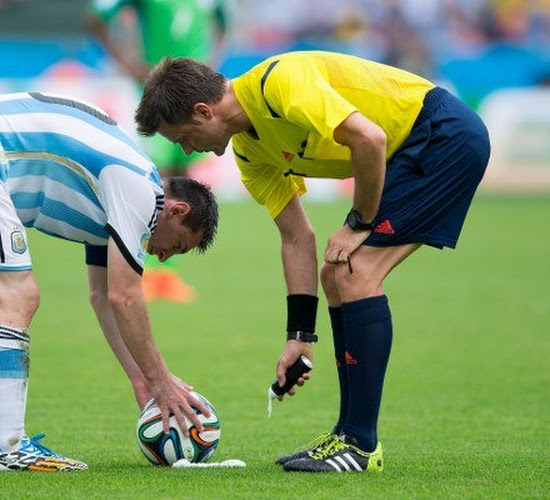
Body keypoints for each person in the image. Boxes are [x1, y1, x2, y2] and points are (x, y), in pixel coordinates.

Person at [135, 52, 489, 472]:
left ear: (203, 111)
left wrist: (360, 222)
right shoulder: (250, 153)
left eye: (183, 138)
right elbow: (296, 236)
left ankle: (359, 444)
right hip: (405, 154)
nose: (189, 150)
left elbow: (369, 139)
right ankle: (348, 436)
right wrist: (299, 336)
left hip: (440, 135)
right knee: (337, 274)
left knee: (354, 272)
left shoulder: (279, 83)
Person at [0, 92, 219, 471]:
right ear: (177, 209)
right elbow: (124, 297)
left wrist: (140, 379)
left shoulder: (119, 195)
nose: (162, 257)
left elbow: (101, 296)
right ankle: (7, 446)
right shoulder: (140, 191)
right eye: (175, 246)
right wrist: (162, 379)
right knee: (17, 293)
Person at [86, 0, 227, 303]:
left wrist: (211, 65)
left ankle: (165, 274)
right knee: (156, 182)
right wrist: (128, 64)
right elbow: (95, 19)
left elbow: (222, 24)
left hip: (197, 96)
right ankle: (142, 271)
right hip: (158, 97)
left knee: (181, 182)